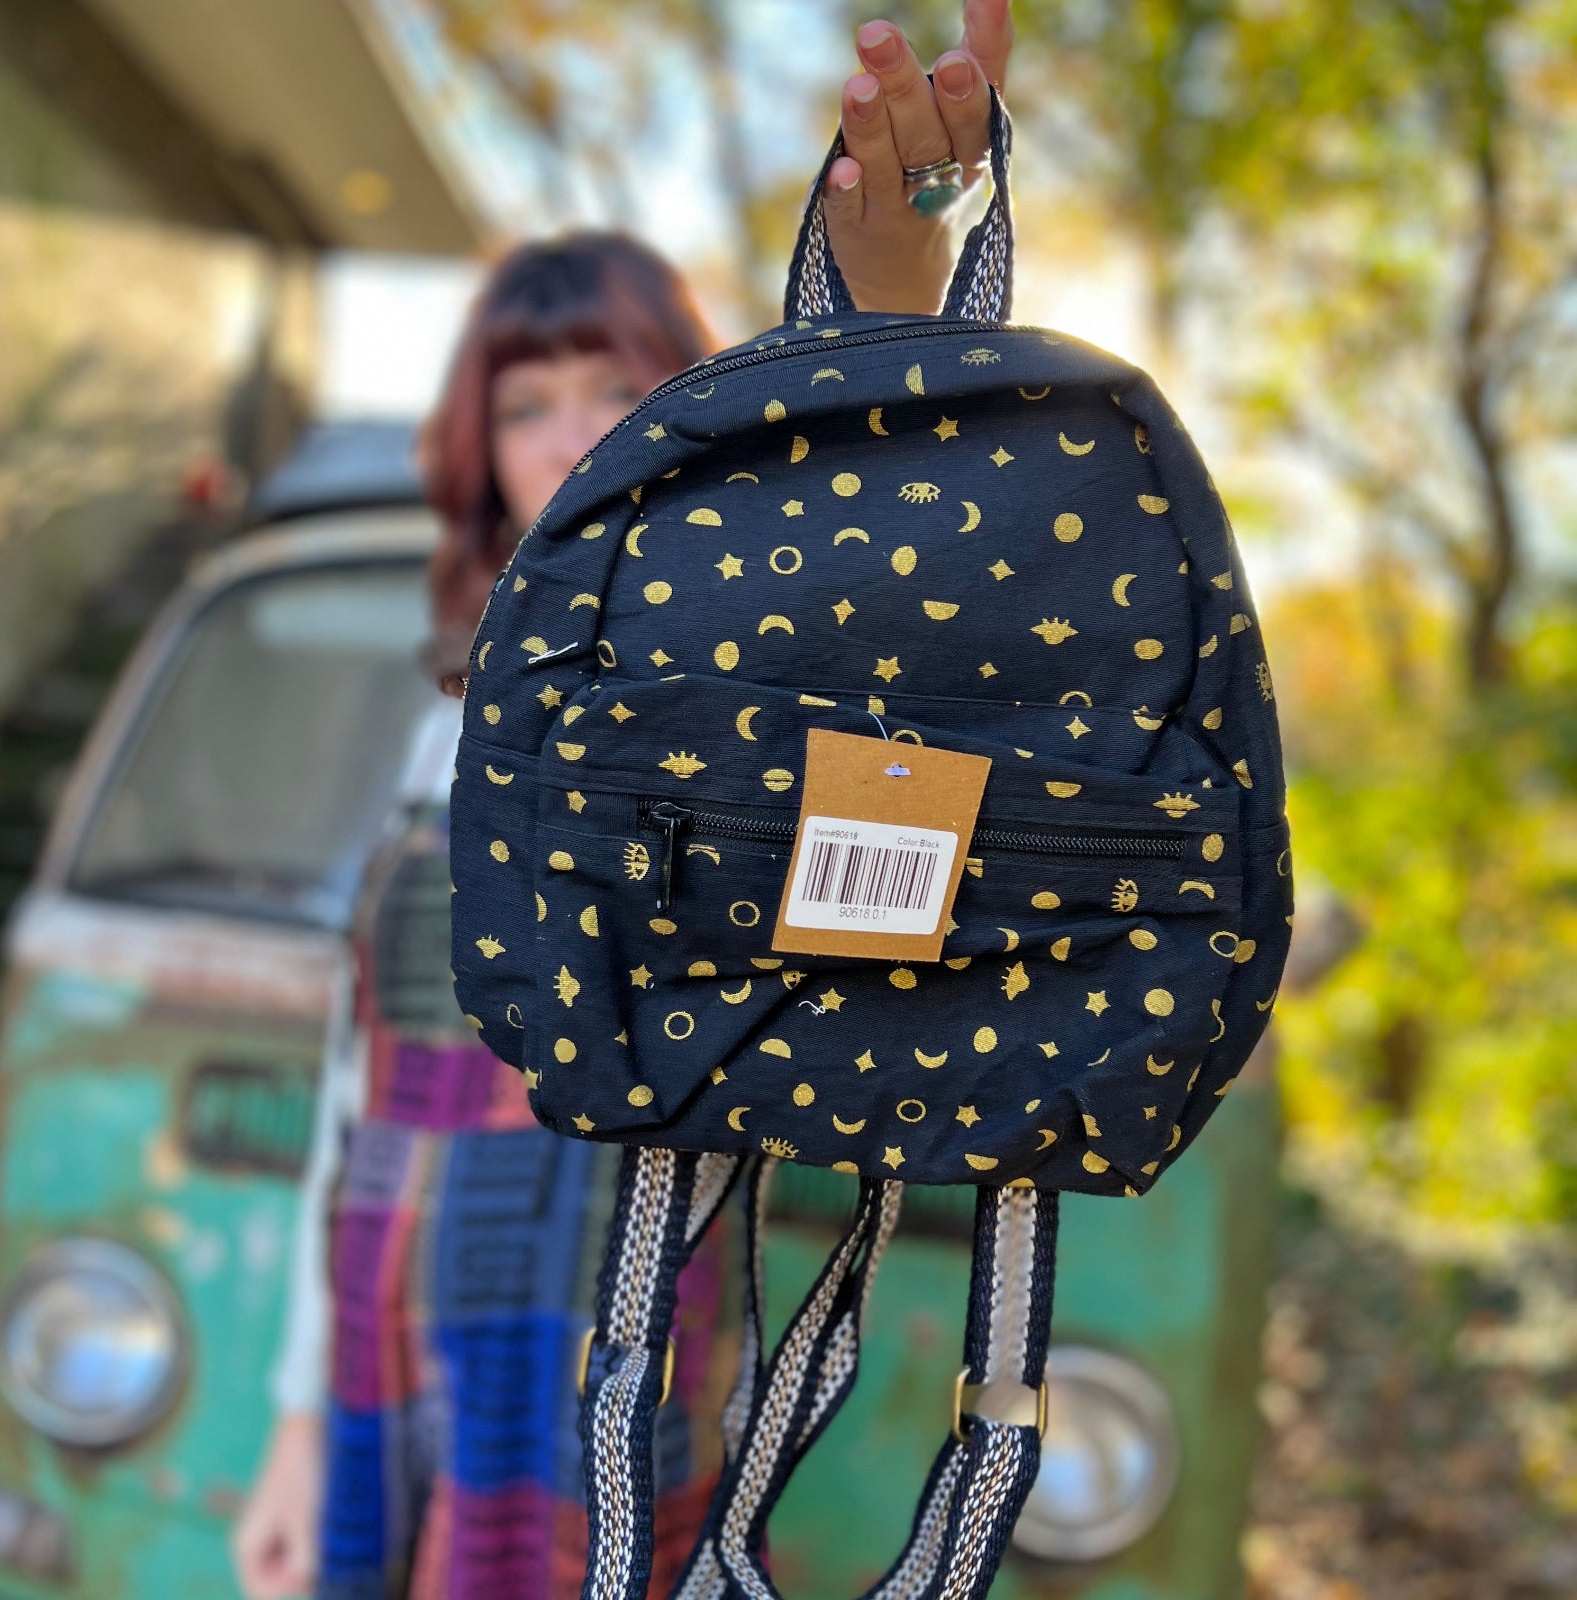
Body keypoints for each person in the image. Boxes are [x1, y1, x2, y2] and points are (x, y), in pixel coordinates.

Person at [233, 8, 1016, 1597]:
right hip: (393, 1311)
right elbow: (349, 1092)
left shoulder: (759, 676)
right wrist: (298, 1426)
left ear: (688, 403)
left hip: (619, 1322)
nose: (573, 432)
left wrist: (901, 283)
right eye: (528, 402)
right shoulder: (428, 713)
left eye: (616, 383)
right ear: (480, 450)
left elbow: (906, 696)